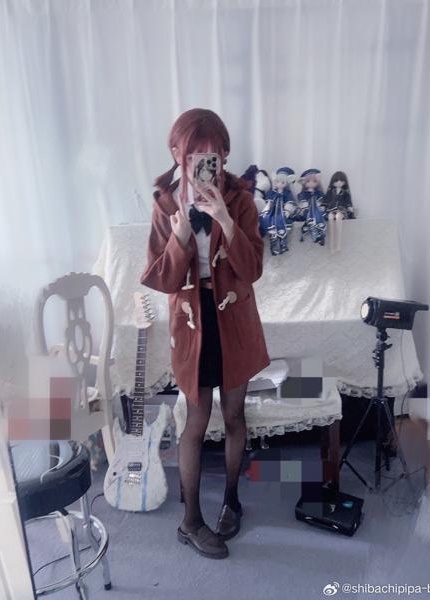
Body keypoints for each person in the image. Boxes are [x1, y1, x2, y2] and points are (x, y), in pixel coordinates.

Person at [140, 108, 270, 559]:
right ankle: (190, 520)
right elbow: (161, 279)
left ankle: (232, 500)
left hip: (235, 320)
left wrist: (227, 220)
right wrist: (179, 237)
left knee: (235, 417)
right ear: (177, 153)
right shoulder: (165, 204)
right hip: (192, 325)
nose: (201, 161)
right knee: (195, 422)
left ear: (224, 154)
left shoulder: (241, 199)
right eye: (192, 152)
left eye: (210, 153)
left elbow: (252, 269)